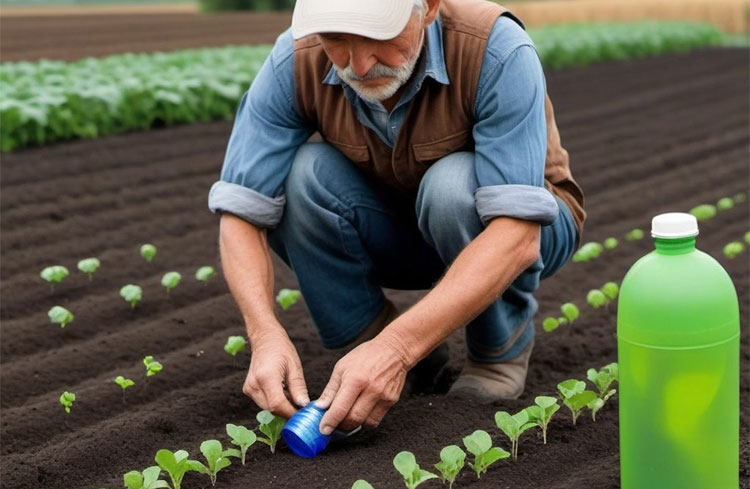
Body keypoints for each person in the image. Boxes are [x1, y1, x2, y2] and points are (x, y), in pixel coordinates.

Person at [207, 0, 585, 437]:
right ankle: (378, 343)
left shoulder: (494, 49)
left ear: (427, 8)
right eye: (336, 41)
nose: (360, 64)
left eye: (379, 38)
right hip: (395, 229)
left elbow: (518, 234)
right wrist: (265, 333)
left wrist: (397, 349)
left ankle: (498, 349)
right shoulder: (295, 59)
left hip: (521, 227)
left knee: (451, 186)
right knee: (297, 176)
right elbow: (240, 210)